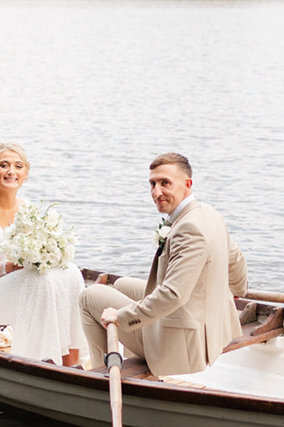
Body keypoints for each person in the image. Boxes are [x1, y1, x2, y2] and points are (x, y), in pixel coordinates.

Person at [79, 152, 247, 377]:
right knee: (121, 285)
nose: (156, 192)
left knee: (90, 296)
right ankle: (128, 357)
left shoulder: (189, 229)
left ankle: (102, 373)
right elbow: (236, 261)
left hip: (185, 345)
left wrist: (120, 317)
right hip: (209, 326)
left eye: (165, 183)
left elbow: (173, 295)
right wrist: (237, 291)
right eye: (152, 184)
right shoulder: (208, 213)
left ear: (187, 184)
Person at [0, 142, 85, 366]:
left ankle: (71, 360)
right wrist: (7, 267)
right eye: (4, 165)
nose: (11, 171)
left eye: (18, 166)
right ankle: (37, 359)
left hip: (13, 284)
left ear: (26, 173)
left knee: (72, 273)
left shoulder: (27, 208)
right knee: (39, 281)